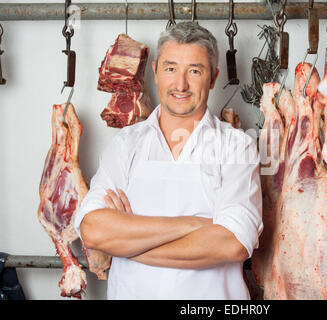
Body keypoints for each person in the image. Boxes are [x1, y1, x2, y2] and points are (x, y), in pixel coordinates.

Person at [74, 21, 263, 300]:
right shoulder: (126, 144)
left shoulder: (237, 146)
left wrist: (127, 243)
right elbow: (93, 231)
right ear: (155, 72)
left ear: (213, 78)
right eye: (170, 68)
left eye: (195, 71)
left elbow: (232, 243)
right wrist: (195, 224)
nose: (181, 84)